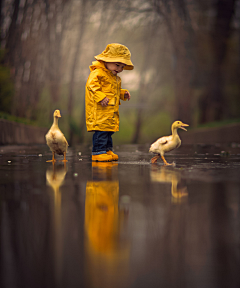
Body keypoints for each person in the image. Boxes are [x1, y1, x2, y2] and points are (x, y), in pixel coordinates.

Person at [85, 43, 134, 161]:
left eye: (122, 67)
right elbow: (91, 85)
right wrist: (101, 96)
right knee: (101, 131)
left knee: (108, 132)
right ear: (106, 60)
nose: (119, 69)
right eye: (117, 65)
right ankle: (98, 152)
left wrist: (122, 93)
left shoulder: (115, 77)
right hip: (100, 111)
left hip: (110, 111)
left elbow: (114, 91)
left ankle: (107, 150)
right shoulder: (98, 73)